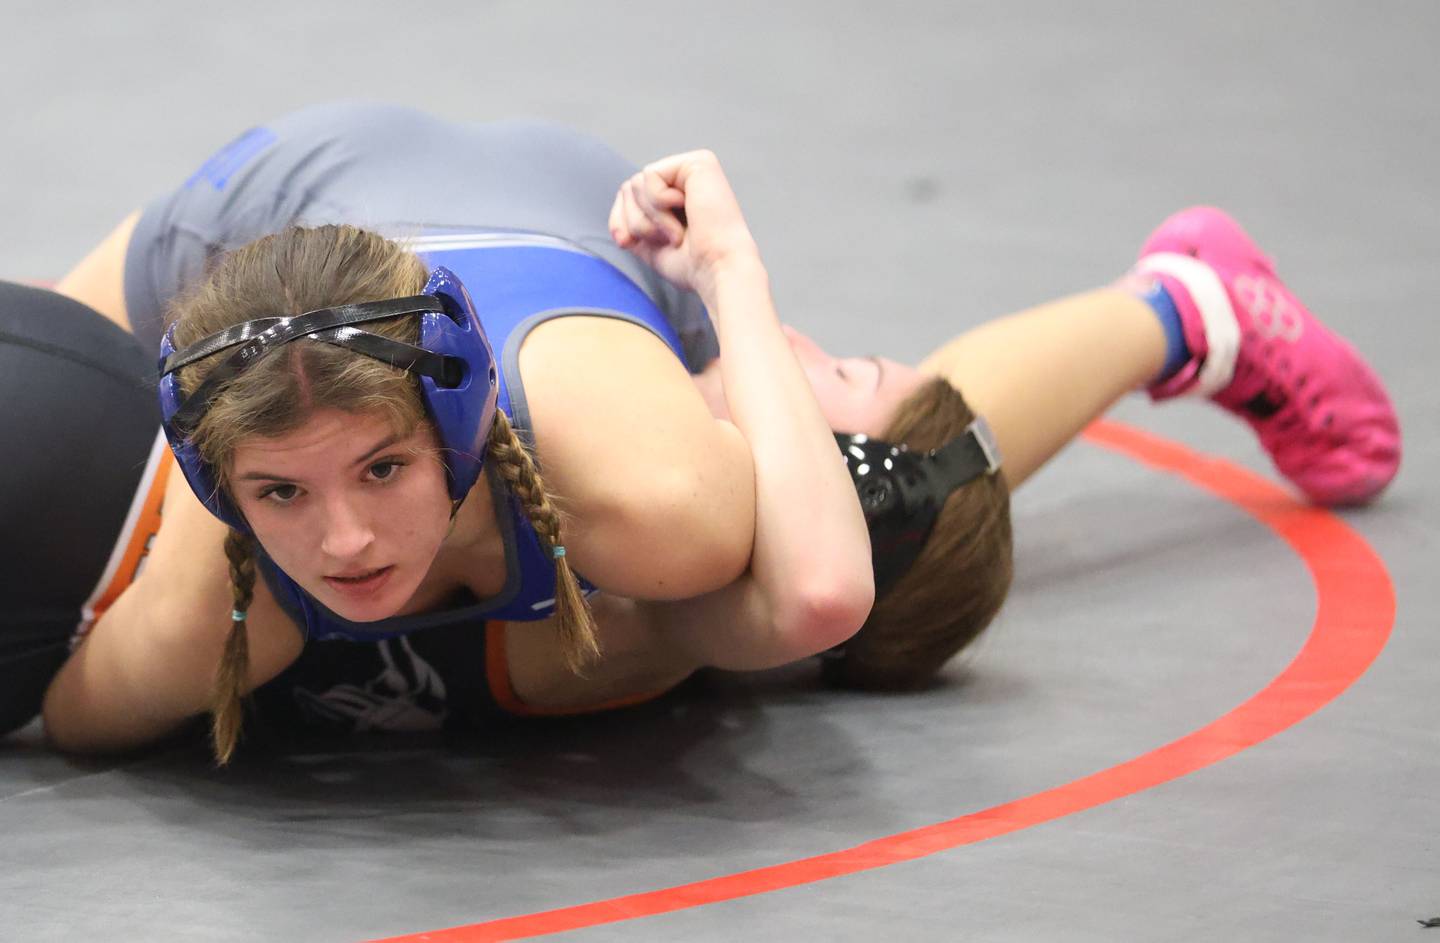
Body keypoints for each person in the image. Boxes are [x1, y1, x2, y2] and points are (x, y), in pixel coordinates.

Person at [8, 103, 1397, 755]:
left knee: (893, 477)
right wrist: (731, 274)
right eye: (282, 494)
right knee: (891, 462)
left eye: (376, 475)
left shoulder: (648, 562)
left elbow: (829, 582)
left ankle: (1184, 303)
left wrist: (238, 491)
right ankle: (1183, 305)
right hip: (322, 218)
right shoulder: (658, 484)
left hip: (364, 305)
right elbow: (821, 579)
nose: (347, 536)